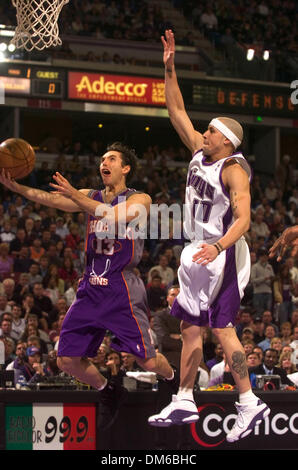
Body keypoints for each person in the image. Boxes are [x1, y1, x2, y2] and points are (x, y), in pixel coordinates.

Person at [0, 141, 177, 430]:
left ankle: (174, 380)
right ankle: (108, 389)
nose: (103, 163)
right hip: (91, 289)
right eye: (102, 158)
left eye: (112, 158)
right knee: (66, 359)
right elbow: (50, 199)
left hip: (123, 288)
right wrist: (17, 187)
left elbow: (114, 215)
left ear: (125, 168)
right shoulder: (90, 196)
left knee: (146, 361)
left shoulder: (140, 199)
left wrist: (75, 196)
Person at [148, 30, 270, 443]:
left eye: (213, 131)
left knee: (222, 329)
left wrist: (218, 246)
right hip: (200, 251)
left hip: (224, 252)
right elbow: (175, 109)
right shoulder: (200, 153)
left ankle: (249, 402)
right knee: (188, 326)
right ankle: (184, 397)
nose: (205, 132)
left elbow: (244, 219)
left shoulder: (233, 168)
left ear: (227, 141)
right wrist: (169, 67)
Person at [153, 285, 182, 369]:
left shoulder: (190, 316)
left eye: (179, 295)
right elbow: (164, 339)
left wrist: (175, 336)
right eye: (173, 295)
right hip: (168, 363)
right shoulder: (160, 316)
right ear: (167, 298)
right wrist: (183, 338)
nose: (176, 298)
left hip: (187, 362)